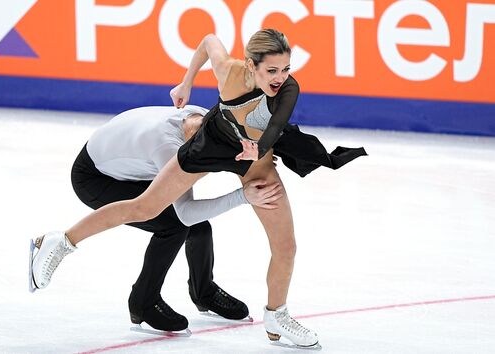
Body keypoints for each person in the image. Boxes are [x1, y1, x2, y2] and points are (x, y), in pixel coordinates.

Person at [31, 29, 366, 348]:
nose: (280, 78)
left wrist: (259, 149)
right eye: (272, 70)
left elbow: (276, 122)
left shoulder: (288, 89)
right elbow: (208, 41)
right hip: (209, 146)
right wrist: (186, 82)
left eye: (286, 69)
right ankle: (61, 242)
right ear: (251, 66)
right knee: (147, 207)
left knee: (286, 245)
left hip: (255, 156)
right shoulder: (230, 71)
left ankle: (276, 317)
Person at [32, 105, 283, 334]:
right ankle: (143, 302)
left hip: (124, 159)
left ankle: (203, 292)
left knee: (198, 227)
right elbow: (185, 212)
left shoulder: (206, 120)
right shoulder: (172, 151)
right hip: (96, 178)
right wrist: (243, 196)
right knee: (173, 227)